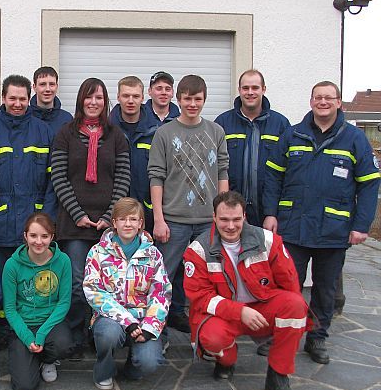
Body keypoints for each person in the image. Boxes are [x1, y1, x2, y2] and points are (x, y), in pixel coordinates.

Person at [263, 81, 380, 365]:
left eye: (329, 97)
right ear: (311, 101)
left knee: (325, 290)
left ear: (339, 102)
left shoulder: (354, 139)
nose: (323, 102)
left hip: (333, 230)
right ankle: (283, 335)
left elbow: (368, 184)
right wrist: (270, 213)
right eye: (318, 97)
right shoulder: (293, 135)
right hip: (294, 227)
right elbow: (273, 177)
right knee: (287, 286)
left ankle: (316, 337)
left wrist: (362, 225)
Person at [183, 191, 308, 390]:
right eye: (224, 219)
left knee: (295, 305)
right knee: (210, 339)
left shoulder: (268, 240)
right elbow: (201, 298)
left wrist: (284, 321)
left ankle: (278, 376)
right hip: (225, 312)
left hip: (262, 307)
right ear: (213, 217)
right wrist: (239, 312)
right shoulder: (199, 250)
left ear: (244, 217)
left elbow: (289, 283)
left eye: (236, 219)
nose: (230, 226)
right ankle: (227, 360)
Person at [51, 77, 131, 360]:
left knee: (106, 283)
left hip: (108, 227)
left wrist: (110, 216)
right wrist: (79, 215)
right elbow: (59, 178)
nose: (93, 102)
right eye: (89, 97)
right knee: (76, 283)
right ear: (81, 100)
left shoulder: (116, 136)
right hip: (74, 226)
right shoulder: (66, 134)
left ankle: (98, 334)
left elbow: (123, 178)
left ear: (106, 101)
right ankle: (74, 334)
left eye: (99, 98)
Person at [0, 74, 57, 351]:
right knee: (0, 282)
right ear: (3, 98)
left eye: (23, 98)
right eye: (13, 98)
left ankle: (27, 329)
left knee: (31, 283)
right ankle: (1, 331)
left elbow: (51, 181)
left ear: (30, 97)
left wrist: (45, 223)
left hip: (32, 227)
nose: (18, 103)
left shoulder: (43, 131)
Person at [148, 75, 229, 334]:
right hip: (174, 221)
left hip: (207, 222)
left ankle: (207, 331)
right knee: (163, 279)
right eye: (187, 99)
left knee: (208, 280)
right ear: (178, 99)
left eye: (197, 99)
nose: (192, 104)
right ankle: (155, 331)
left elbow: (222, 173)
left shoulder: (216, 132)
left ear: (204, 99)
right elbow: (156, 176)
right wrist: (159, 219)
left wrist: (223, 214)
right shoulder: (164, 133)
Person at [83, 197, 170, 390]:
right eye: (122, 219)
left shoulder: (153, 254)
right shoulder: (97, 252)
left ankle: (134, 366)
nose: (128, 224)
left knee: (150, 361)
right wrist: (127, 321)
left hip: (142, 319)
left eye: (133, 219)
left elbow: (161, 293)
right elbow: (93, 291)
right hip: (110, 318)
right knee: (108, 334)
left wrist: (149, 327)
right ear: (114, 223)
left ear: (140, 223)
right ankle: (104, 370)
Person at [2, 212, 72, 390]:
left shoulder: (63, 261)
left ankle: (48, 359)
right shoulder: (12, 265)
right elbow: (9, 308)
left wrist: (40, 335)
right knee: (24, 387)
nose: (38, 241)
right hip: (23, 324)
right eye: (33, 235)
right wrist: (27, 337)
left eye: (44, 236)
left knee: (64, 344)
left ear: (52, 237)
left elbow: (64, 302)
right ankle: (32, 356)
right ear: (25, 236)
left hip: (50, 323)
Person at [214, 70, 290, 227]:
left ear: (264, 89)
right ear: (239, 89)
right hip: (231, 213)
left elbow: (286, 173)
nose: (250, 92)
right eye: (245, 88)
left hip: (267, 212)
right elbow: (214, 169)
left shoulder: (281, 124)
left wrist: (273, 213)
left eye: (255, 88)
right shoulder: (223, 123)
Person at [110, 75, 157, 233]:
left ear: (143, 98)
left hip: (148, 213)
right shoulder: (107, 131)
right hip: (115, 213)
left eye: (136, 96)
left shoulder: (156, 131)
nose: (131, 101)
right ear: (118, 97)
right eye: (125, 96)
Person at [30, 66, 73, 135]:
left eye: (52, 84)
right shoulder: (26, 117)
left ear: (56, 87)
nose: (48, 89)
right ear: (34, 87)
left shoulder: (66, 119)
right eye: (42, 84)